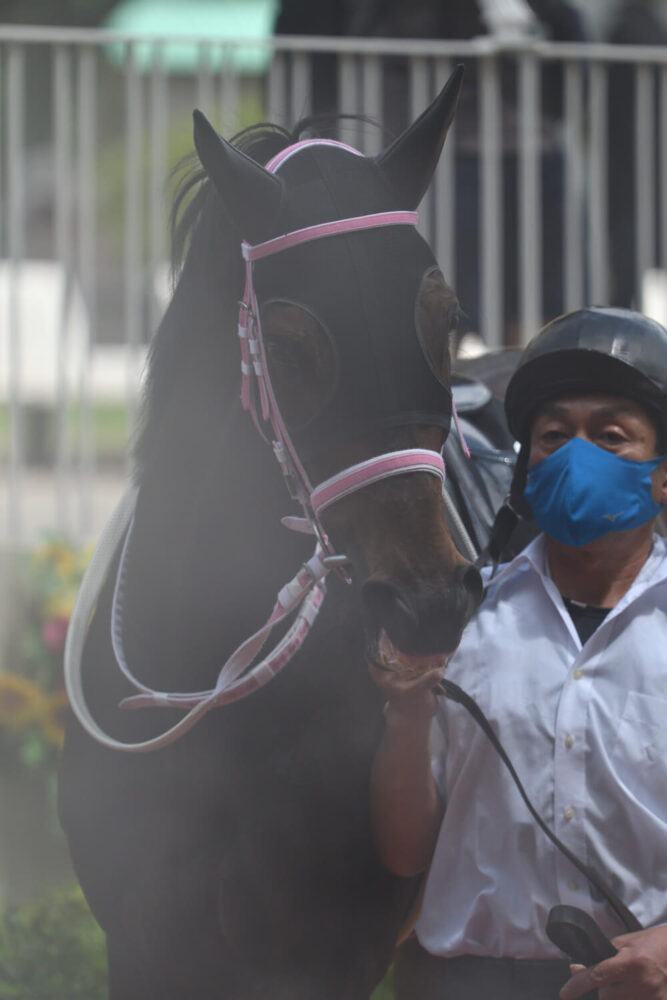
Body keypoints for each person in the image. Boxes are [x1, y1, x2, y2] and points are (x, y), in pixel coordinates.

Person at [370, 306, 667, 999]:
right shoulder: (463, 624)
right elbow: (404, 852)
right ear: (525, 470)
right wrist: (407, 724)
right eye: (553, 436)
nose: (574, 455)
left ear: (660, 475)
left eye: (610, 436)